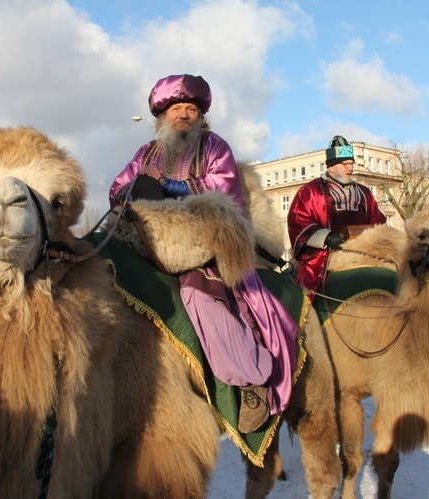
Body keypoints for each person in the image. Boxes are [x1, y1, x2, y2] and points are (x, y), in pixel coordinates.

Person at [110, 74, 298, 433]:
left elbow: (223, 189)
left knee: (199, 293)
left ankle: (250, 383)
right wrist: (138, 185)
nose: (183, 114)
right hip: (147, 239)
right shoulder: (145, 154)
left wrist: (167, 186)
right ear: (161, 116)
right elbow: (117, 188)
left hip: (204, 244)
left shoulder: (215, 147)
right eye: (175, 108)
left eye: (191, 108)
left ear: (201, 115)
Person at [287, 135, 387, 293]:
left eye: (352, 163)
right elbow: (298, 220)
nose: (350, 167)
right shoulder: (311, 191)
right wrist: (326, 237)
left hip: (365, 251)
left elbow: (378, 222)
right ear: (331, 167)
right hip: (326, 254)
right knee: (307, 296)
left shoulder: (365, 192)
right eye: (345, 164)